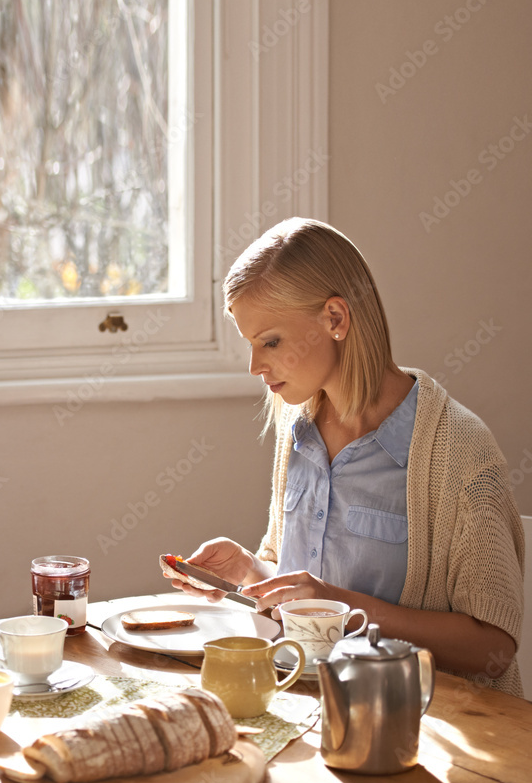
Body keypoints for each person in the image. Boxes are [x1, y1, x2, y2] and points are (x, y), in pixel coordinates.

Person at [166, 217, 524, 695]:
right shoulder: (298, 430)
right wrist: (250, 570)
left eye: (270, 341)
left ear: (335, 319)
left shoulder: (461, 455)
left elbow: (492, 650)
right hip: (305, 701)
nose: (255, 367)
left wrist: (343, 605)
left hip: (413, 725)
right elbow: (308, 597)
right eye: (250, 345)